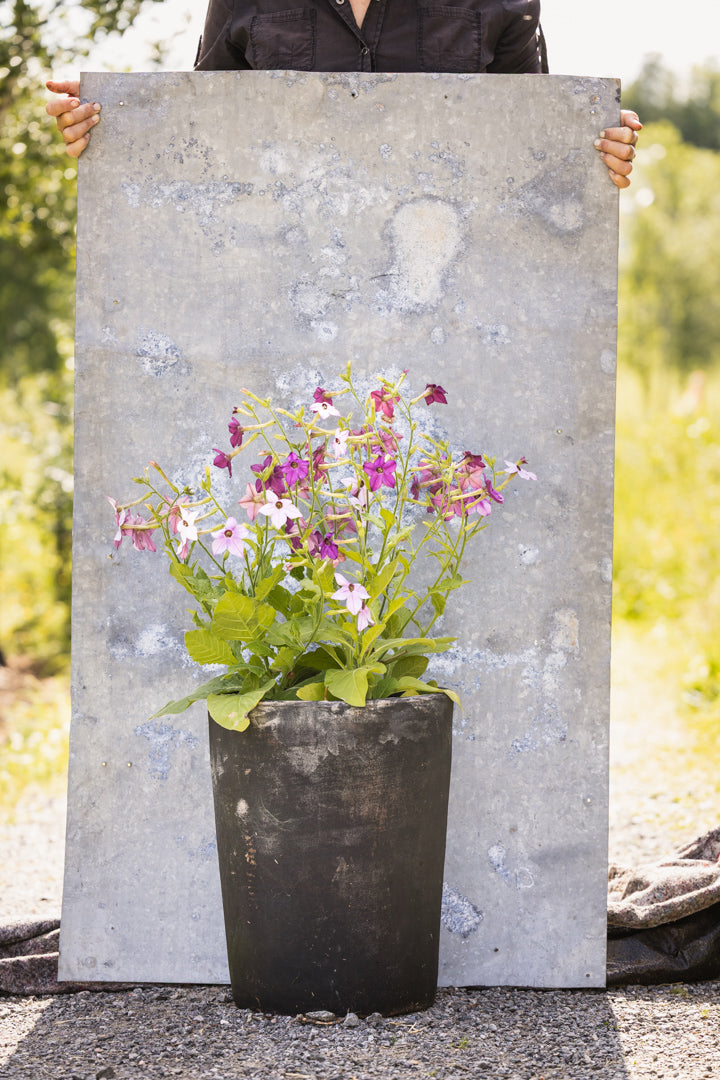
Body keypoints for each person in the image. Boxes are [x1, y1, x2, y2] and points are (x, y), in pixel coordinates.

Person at [46, 0, 641, 186]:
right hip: (283, 309)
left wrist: (595, 152)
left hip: (451, 312)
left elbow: (531, 162)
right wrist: (108, 125)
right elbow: (203, 149)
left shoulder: (501, 1)